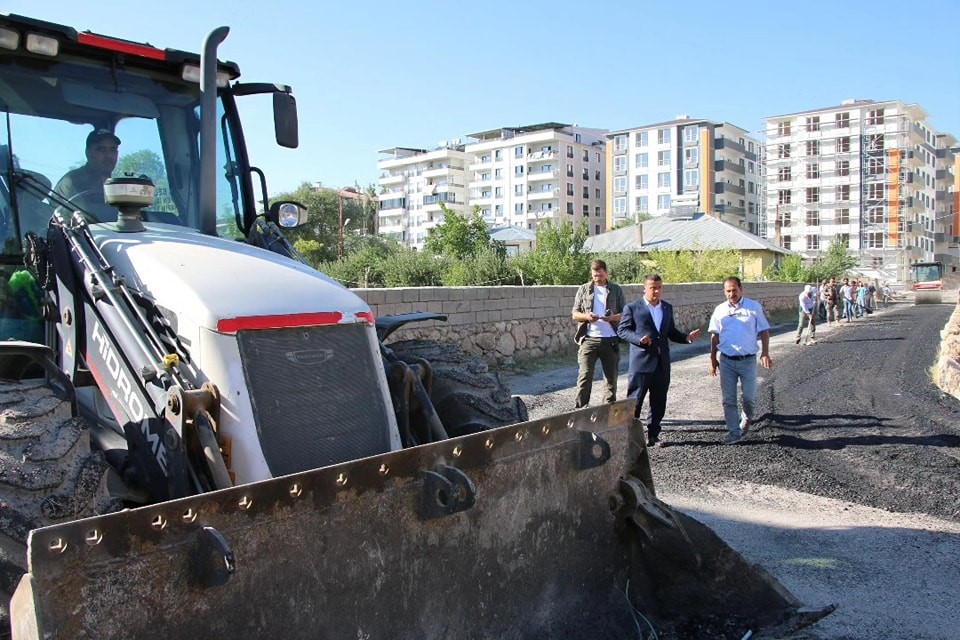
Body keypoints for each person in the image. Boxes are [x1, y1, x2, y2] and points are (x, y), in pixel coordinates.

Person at [617, 274, 701, 447]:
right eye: (652, 287)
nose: (656, 291)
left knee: (659, 401)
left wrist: (687, 338)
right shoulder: (632, 308)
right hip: (641, 363)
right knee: (635, 401)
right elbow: (623, 331)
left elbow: (670, 331)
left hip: (661, 363)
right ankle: (629, 437)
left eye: (659, 287)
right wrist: (640, 339)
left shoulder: (666, 308)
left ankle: (653, 435)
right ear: (644, 288)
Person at [708, 277, 772, 444]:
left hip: (748, 360)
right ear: (724, 292)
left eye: (734, 290)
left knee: (749, 398)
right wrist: (712, 359)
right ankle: (733, 432)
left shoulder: (753, 307)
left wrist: (765, 353)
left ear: (741, 289)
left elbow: (764, 331)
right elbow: (714, 336)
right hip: (726, 361)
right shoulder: (720, 310)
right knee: (728, 399)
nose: (731, 294)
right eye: (728, 291)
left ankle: (746, 418)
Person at [572, 259, 625, 408]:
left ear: (606, 273)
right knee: (584, 376)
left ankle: (607, 412)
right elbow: (575, 314)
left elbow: (625, 313)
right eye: (595, 276)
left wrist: (612, 318)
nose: (597, 279)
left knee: (610, 379)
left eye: (600, 275)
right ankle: (581, 410)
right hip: (589, 339)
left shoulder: (616, 289)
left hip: (611, 340)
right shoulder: (583, 289)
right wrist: (587, 317)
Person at [53, 128, 120, 214]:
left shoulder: (116, 187)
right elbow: (77, 220)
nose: (108, 155)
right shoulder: (72, 181)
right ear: (88, 153)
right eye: (101, 149)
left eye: (113, 149)